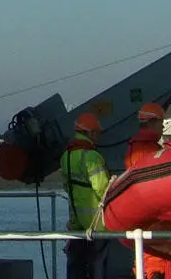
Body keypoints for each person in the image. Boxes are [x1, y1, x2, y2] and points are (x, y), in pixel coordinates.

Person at [61, 112, 112, 279]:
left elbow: (66, 186)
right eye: (97, 133)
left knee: (75, 267)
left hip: (76, 223)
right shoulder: (92, 157)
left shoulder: (66, 156)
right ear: (90, 133)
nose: (99, 136)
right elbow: (103, 189)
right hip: (97, 224)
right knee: (97, 267)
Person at [125, 103, 166, 169]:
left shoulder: (133, 146)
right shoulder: (151, 149)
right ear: (152, 122)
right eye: (161, 122)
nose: (163, 126)